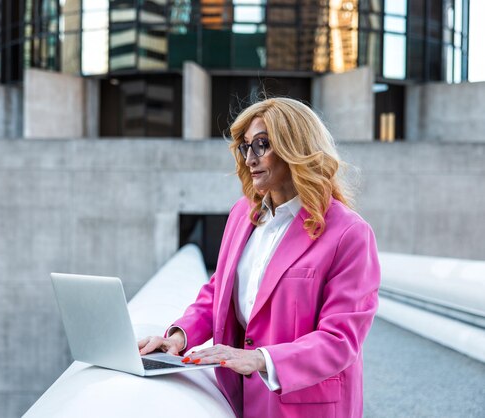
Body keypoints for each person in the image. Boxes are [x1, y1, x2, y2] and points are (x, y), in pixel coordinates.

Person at [138, 97, 380, 418]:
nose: (250, 158)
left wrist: (260, 359)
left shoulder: (349, 233)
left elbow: (340, 340)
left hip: (307, 407)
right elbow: (219, 293)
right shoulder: (243, 214)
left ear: (295, 147)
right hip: (244, 398)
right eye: (245, 146)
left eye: (262, 145)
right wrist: (179, 337)